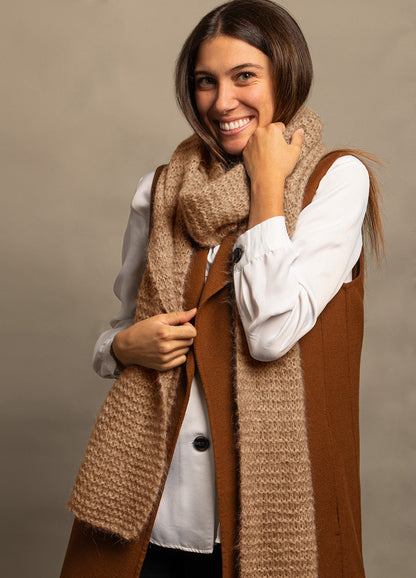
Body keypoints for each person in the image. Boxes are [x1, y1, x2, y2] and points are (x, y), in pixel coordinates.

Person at [60, 1, 383, 576]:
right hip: (146, 516)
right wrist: (119, 348)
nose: (222, 101)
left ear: (286, 75)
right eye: (205, 81)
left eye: (244, 76)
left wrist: (267, 184)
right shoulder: (158, 191)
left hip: (268, 525)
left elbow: (271, 333)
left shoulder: (335, 180)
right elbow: (122, 330)